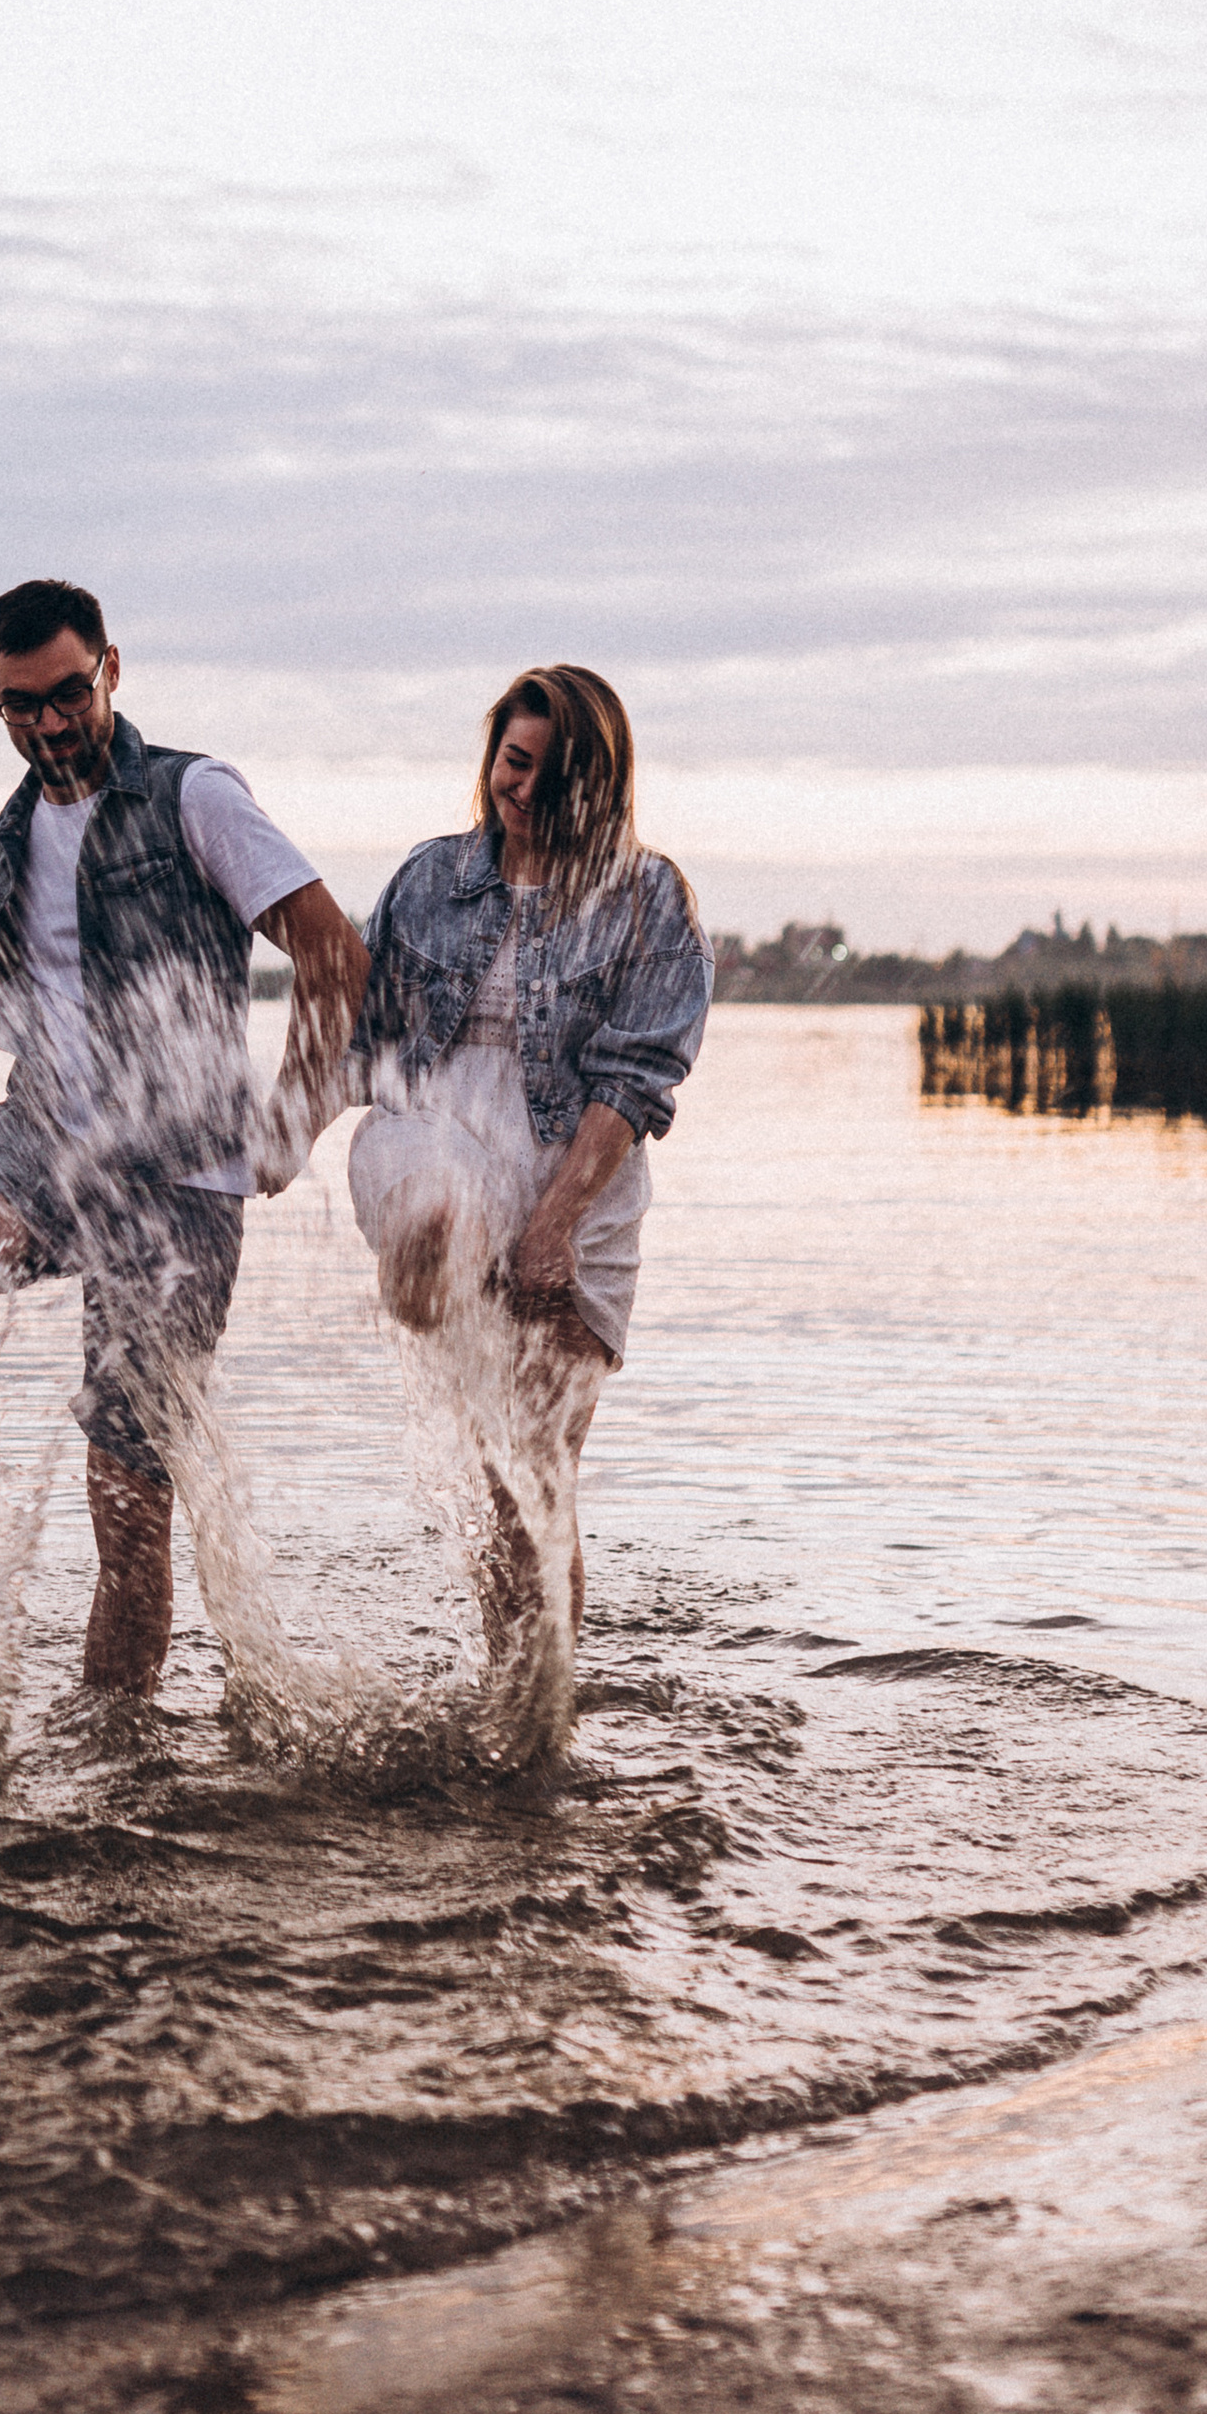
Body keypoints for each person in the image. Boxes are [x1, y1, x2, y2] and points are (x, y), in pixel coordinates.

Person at [0, 578, 368, 1693]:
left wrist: (290, 1127)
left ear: (110, 669)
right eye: (18, 706)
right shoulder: (10, 831)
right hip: (48, 1127)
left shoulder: (198, 798)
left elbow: (336, 954)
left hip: (181, 1181)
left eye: (65, 694)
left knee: (126, 1512)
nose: (47, 725)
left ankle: (117, 1752)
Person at [345, 664, 711, 1669]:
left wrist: (552, 1221)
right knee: (436, 1221)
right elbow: (358, 1033)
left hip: (578, 1185)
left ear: (600, 784)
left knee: (538, 1463)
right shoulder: (428, 877)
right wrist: (269, 1140)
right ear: (491, 751)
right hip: (440, 1141)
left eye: (553, 777)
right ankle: (429, 1262)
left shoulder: (646, 896)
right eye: (515, 761)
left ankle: (535, 1707)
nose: (525, 791)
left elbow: (635, 1079)